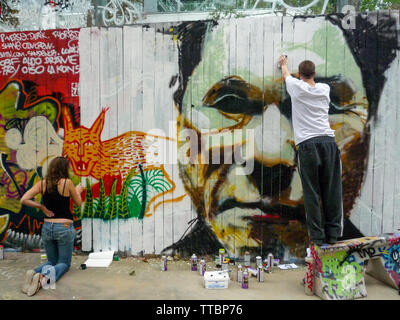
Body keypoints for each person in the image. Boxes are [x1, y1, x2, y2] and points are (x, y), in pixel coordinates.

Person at [278, 55, 343, 246]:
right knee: (332, 190)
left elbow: (285, 74)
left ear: (300, 74)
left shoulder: (296, 87)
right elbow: (306, 82)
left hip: (307, 145)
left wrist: (283, 64)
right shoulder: (325, 89)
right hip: (328, 142)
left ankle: (317, 238)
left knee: (312, 193)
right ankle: (333, 235)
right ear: (314, 74)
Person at [20, 156, 83, 296]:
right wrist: (78, 190)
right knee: (64, 263)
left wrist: (41, 207)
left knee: (52, 261)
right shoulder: (67, 183)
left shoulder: (42, 184)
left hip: (47, 227)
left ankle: (34, 272)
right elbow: (78, 203)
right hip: (64, 227)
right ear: (64, 169)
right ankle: (42, 278)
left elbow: (23, 199)